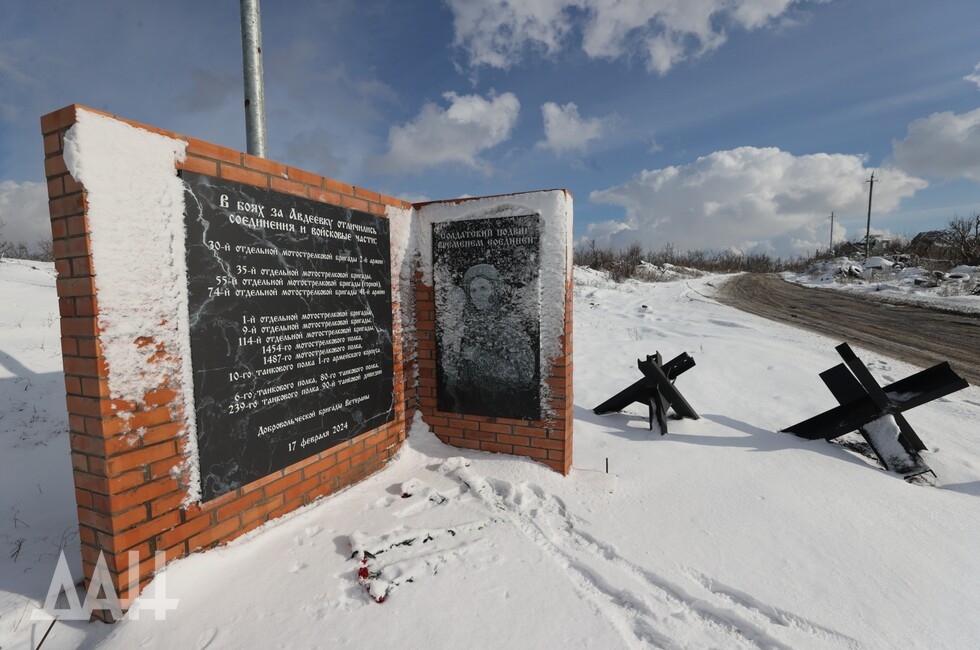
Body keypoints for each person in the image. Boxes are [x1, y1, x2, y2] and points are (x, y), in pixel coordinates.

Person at [447, 263, 538, 418]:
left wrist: (479, 357)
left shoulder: (509, 326)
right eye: (473, 290)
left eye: (483, 288)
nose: (478, 294)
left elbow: (524, 375)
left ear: (494, 290)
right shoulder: (468, 325)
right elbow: (465, 377)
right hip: (470, 407)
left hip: (504, 408)